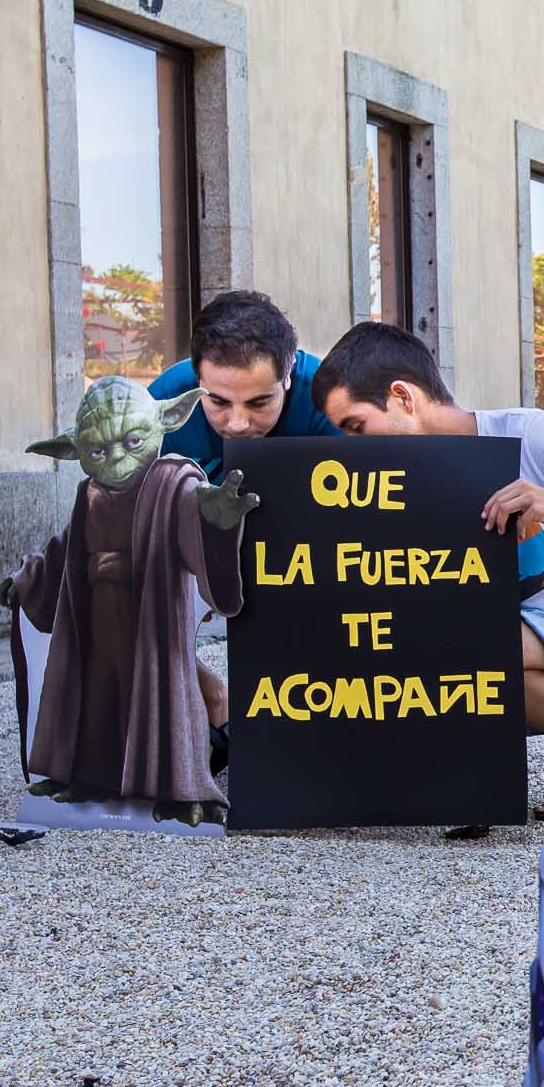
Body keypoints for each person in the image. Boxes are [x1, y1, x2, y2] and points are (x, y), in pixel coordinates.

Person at [310, 323, 544, 817]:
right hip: (519, 633)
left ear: (402, 398)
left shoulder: (537, 434)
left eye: (355, 426)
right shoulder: (392, 485)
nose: (352, 445)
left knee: (462, 642)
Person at [145, 291, 342, 771]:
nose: (237, 422)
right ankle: (215, 701)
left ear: (290, 372)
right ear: (196, 378)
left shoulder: (331, 400)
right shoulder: (159, 408)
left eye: (259, 402)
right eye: (217, 402)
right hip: (200, 538)